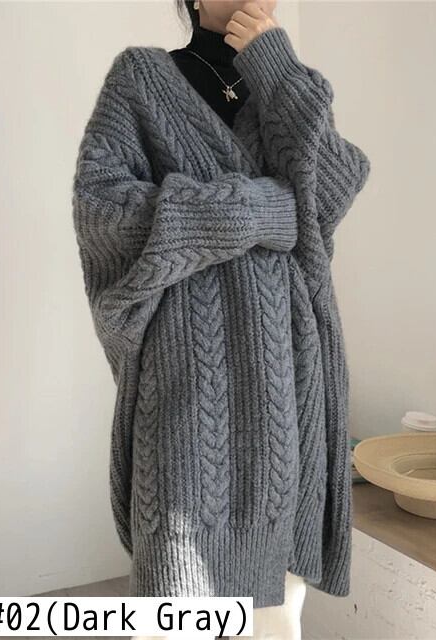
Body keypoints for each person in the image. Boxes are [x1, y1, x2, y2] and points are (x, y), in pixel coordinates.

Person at [71, 1, 371, 639]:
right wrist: (263, 210)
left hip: (287, 382)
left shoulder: (288, 83)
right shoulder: (140, 78)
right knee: (180, 599)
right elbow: (105, 214)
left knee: (277, 614)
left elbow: (331, 193)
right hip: (188, 386)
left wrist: (276, 66)